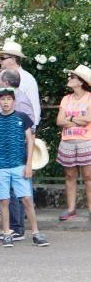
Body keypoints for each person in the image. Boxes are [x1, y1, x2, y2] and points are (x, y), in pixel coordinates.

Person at [0, 88, 48, 247]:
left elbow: (30, 141)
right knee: (4, 200)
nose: (5, 102)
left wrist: (29, 164)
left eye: (8, 99)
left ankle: (36, 232)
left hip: (20, 165)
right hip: (0, 166)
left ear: (14, 101)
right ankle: (7, 232)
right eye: (2, 99)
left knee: (26, 198)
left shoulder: (22, 117)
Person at [55, 64, 91, 221]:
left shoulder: (90, 98)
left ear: (81, 81)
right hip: (67, 141)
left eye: (73, 77)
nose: (70, 79)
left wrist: (69, 119)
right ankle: (71, 209)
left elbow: (88, 119)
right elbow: (59, 121)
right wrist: (76, 120)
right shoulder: (66, 99)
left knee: (89, 176)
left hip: (86, 141)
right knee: (70, 175)